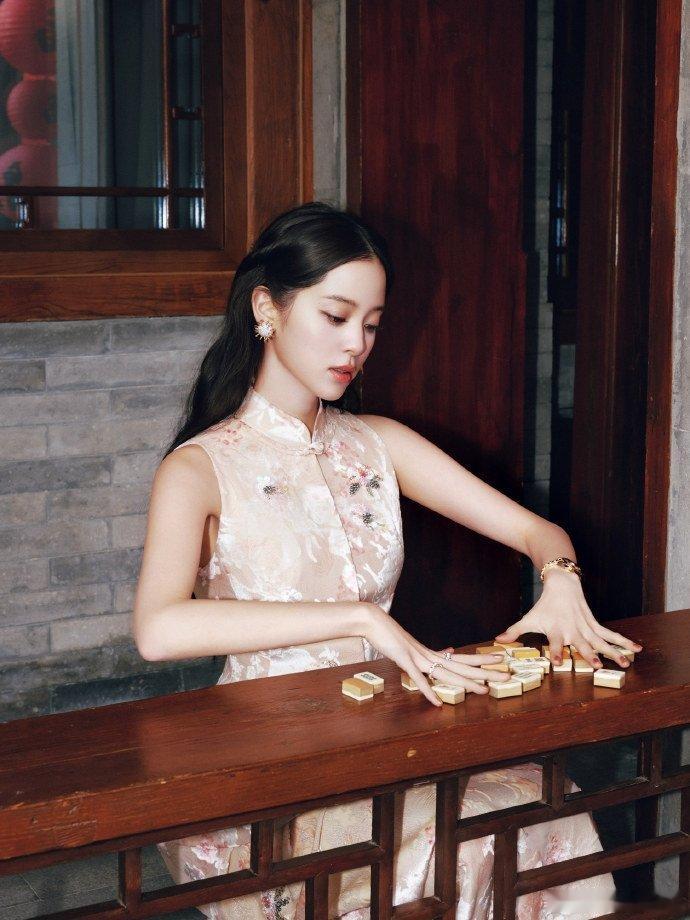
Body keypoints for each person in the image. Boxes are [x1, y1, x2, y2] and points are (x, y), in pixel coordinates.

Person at [133, 201, 640, 919]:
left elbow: (539, 531)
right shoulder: (198, 469)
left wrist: (559, 581)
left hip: (389, 733)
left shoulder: (378, 443)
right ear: (266, 308)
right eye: (336, 316)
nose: (356, 345)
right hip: (264, 756)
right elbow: (157, 629)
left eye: (371, 325)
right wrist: (361, 618)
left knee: (536, 808)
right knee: (454, 843)